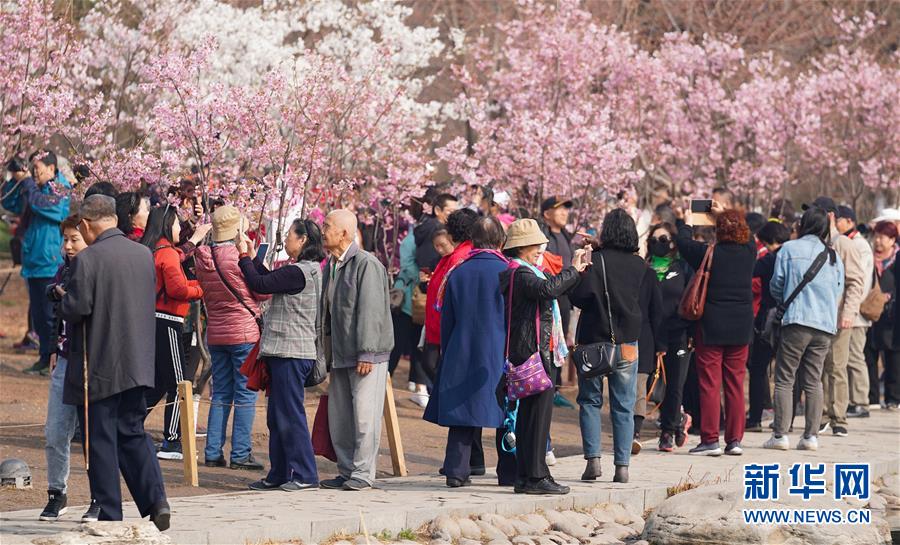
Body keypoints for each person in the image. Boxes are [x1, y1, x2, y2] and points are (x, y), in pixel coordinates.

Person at [59, 195, 169, 528]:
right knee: (133, 433)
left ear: (87, 225)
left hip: (100, 364)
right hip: (138, 361)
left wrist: (62, 298)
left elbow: (78, 309)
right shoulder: (142, 255)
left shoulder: (88, 260)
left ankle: (108, 510)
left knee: (101, 438)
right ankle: (156, 500)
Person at [424, 216, 516, 488]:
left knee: (464, 412)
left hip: (461, 347)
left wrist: (448, 349)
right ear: (501, 241)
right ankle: (508, 471)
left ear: (472, 241)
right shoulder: (509, 271)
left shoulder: (458, 271)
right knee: (505, 414)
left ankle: (456, 469)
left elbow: (447, 318)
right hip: (499, 350)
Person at [499, 219, 587, 494]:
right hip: (532, 352)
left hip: (529, 350)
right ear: (522, 247)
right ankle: (535, 477)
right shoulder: (521, 273)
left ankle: (527, 475)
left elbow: (552, 285)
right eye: (536, 245)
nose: (540, 249)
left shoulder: (523, 271)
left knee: (530, 416)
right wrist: (575, 269)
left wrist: (573, 270)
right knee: (537, 416)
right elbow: (549, 290)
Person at [237, 219, 325, 491]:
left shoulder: (299, 272)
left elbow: (260, 284)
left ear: (303, 241)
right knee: (277, 416)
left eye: (289, 235)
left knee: (290, 414)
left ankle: (306, 474)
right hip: (285, 351)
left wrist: (243, 257)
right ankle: (279, 473)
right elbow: (268, 280)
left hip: (291, 352)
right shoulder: (301, 271)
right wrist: (252, 257)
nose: (285, 239)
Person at [318, 210, 394, 491]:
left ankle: (363, 473)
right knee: (341, 417)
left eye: (327, 226)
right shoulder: (331, 265)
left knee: (364, 417)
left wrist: (367, 351)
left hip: (365, 355)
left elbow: (371, 311)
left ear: (344, 234)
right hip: (339, 353)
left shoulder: (366, 264)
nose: (322, 230)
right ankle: (347, 469)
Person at [570, 209, 645, 483]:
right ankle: (622, 466)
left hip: (593, 341)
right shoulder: (640, 265)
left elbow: (579, 298)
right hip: (627, 342)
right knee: (624, 404)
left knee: (589, 400)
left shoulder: (596, 261)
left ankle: (593, 461)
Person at [677, 205, 756, 456]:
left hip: (711, 326)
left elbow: (682, 242)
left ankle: (710, 439)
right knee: (735, 384)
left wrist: (687, 221)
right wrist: (725, 214)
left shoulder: (707, 253)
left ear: (718, 230)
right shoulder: (749, 252)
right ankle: (734, 441)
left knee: (710, 383)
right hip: (741, 327)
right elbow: (750, 235)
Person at [194, 205, 269, 470]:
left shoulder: (202, 256)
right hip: (244, 333)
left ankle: (213, 451)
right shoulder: (239, 257)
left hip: (216, 334)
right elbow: (263, 292)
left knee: (221, 393)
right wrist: (252, 257)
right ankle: (240, 453)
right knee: (245, 395)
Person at [764, 207, 844, 451]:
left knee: (785, 378)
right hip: (824, 325)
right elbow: (838, 291)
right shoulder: (833, 256)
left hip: (797, 321)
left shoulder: (789, 249)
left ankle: (780, 435)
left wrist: (785, 299)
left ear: (803, 225)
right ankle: (811, 436)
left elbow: (776, 285)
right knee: (814, 380)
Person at [38, 215, 100, 523]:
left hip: (90, 360)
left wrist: (64, 295)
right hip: (63, 358)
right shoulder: (63, 268)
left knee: (91, 434)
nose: (68, 245)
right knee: (55, 430)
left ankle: (98, 496)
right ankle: (56, 493)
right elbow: (56, 318)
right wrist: (51, 347)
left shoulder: (97, 269)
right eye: (65, 239)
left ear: (89, 236)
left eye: (74, 239)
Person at [140, 206, 204, 461]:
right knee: (179, 382)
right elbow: (177, 289)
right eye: (177, 224)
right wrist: (201, 289)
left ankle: (126, 423)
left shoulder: (152, 249)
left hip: (153, 320)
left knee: (158, 382)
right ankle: (172, 440)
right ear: (167, 224)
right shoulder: (166, 253)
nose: (180, 229)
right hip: (168, 321)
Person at [2, 150, 71, 375]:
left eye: (37, 170)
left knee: (51, 315)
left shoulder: (59, 190)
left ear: (52, 169)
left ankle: (53, 360)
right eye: (31, 170)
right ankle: (43, 358)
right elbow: (8, 201)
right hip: (33, 260)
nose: (34, 174)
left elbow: (44, 206)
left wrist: (28, 184)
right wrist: (13, 178)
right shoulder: (34, 188)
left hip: (50, 261)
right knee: (39, 316)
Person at [807, 198, 865, 438]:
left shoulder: (844, 245)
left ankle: (838, 417)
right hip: (814, 316)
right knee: (815, 369)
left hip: (839, 317)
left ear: (830, 215)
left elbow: (855, 282)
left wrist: (849, 313)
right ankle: (818, 416)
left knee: (837, 368)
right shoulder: (808, 244)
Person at [645, 222, 694, 452]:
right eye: (654, 240)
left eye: (663, 240)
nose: (658, 244)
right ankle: (678, 418)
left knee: (675, 384)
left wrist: (692, 332)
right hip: (651, 334)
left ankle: (668, 430)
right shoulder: (645, 267)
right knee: (651, 384)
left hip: (678, 333)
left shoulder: (682, 267)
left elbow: (692, 299)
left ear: (673, 243)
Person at [746, 221, 791, 431]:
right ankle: (786, 421)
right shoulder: (795, 258)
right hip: (793, 320)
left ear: (770, 242)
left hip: (768, 321)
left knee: (757, 368)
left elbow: (748, 272)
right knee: (789, 372)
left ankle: (755, 418)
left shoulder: (770, 260)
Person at [836, 205, 875, 418]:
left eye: (839, 220)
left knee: (855, 356)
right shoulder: (851, 243)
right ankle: (853, 400)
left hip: (856, 314)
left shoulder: (860, 246)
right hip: (850, 312)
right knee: (849, 357)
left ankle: (861, 401)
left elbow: (862, 281)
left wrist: (851, 309)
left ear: (849, 221)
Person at [389, 200, 428, 406]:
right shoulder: (412, 239)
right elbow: (406, 266)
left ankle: (418, 384)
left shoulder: (421, 237)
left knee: (417, 343)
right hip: (407, 298)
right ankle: (386, 379)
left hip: (420, 299)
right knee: (397, 342)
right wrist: (423, 276)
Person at [865, 221, 899, 410]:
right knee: (869, 353)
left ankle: (893, 398)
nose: (877, 241)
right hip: (870, 312)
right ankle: (872, 398)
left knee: (893, 356)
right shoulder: (868, 258)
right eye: (876, 236)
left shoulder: (897, 259)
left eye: (882, 237)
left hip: (891, 314)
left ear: (892, 239)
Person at [415, 193, 458, 271]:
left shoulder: (427, 226)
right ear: (437, 210)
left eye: (457, 212)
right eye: (451, 211)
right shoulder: (437, 230)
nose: (455, 215)